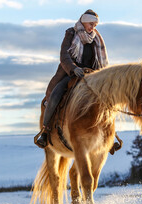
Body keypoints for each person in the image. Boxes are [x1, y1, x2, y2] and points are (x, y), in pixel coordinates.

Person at [37, 9, 109, 148]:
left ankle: (109, 135)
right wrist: (73, 68)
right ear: (84, 21)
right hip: (71, 73)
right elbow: (64, 55)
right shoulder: (71, 33)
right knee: (55, 95)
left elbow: (99, 61)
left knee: (108, 99)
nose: (93, 27)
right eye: (91, 24)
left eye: (95, 25)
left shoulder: (96, 38)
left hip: (92, 76)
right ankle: (45, 132)